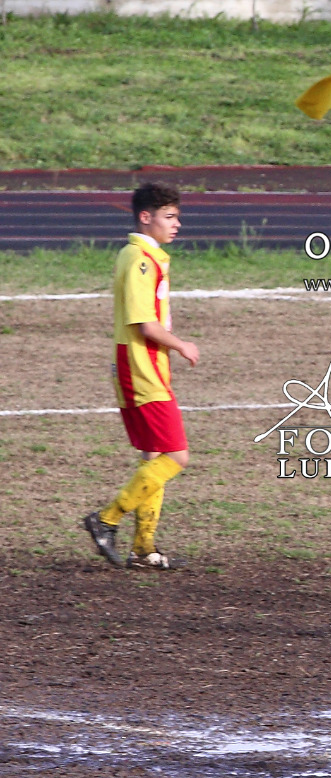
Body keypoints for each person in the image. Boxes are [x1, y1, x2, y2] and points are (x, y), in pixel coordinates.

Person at [82, 182, 198, 570]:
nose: (177, 223)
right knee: (176, 456)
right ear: (145, 217)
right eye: (169, 216)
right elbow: (145, 324)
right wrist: (182, 344)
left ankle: (144, 548)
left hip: (143, 367)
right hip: (141, 367)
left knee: (154, 456)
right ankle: (106, 520)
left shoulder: (145, 255)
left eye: (177, 216)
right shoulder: (140, 260)